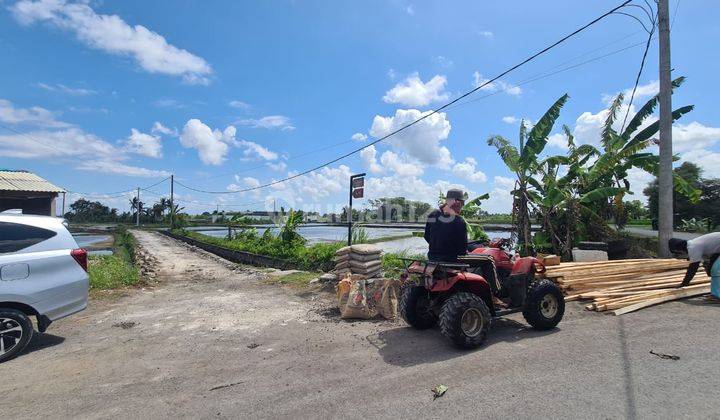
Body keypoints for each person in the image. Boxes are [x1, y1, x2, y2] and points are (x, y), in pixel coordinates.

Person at [668, 232, 720, 303]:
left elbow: (693, 268)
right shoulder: (697, 244)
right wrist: (709, 270)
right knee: (714, 270)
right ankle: (715, 294)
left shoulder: (693, 247)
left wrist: (684, 283)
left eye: (678, 253)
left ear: (680, 250)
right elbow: (711, 259)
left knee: (716, 270)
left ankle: (716, 296)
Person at [424, 189, 468, 262]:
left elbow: (426, 236)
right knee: (487, 262)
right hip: (452, 260)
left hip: (432, 258)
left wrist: (438, 247)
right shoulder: (459, 221)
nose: (462, 206)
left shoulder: (432, 215)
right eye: (462, 203)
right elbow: (462, 248)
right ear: (458, 203)